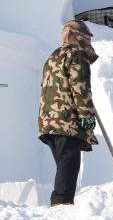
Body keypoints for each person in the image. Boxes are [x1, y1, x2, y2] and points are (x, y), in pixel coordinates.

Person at [38, 20, 99, 206]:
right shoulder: (77, 55)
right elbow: (80, 88)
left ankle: (61, 201)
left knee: (64, 164)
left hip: (48, 121)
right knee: (69, 163)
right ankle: (61, 203)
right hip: (67, 121)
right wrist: (87, 116)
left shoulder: (52, 57)